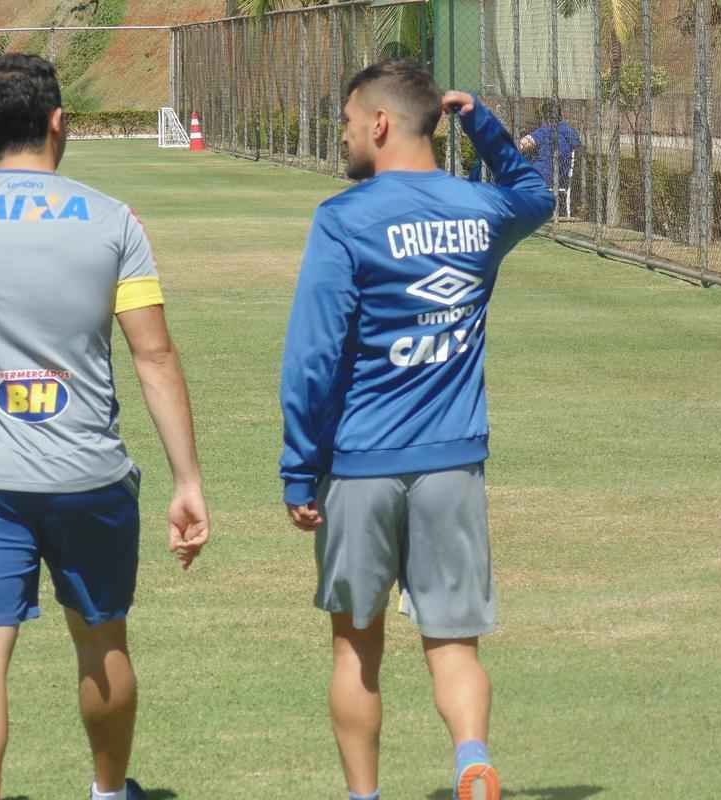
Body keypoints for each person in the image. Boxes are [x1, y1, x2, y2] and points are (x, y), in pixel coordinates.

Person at [0, 53, 210, 800]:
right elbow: (154, 354)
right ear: (60, 122)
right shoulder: (113, 220)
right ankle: (108, 793)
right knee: (102, 641)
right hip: (88, 476)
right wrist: (187, 479)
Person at [279, 60, 553, 800]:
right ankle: (472, 759)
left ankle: (364, 796)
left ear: (378, 123)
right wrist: (482, 124)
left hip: (360, 464)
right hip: (452, 465)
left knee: (355, 649)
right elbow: (536, 195)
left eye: (346, 122)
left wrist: (299, 469)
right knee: (454, 646)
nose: (343, 135)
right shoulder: (481, 210)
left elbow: (313, 357)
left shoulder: (344, 218)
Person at [519, 100, 581, 189]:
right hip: (561, 180)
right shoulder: (570, 133)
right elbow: (578, 149)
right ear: (560, 115)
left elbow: (522, 144)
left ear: (545, 117)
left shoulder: (545, 131)